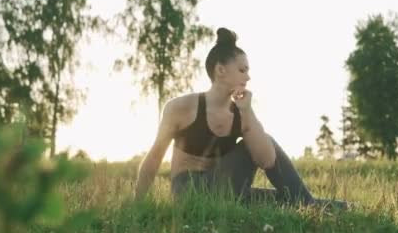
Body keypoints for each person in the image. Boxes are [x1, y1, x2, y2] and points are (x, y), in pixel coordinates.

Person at [133, 27, 347, 209]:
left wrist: (247, 111)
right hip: (189, 194)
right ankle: (309, 205)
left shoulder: (240, 112)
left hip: (227, 190)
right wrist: (138, 204)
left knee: (283, 199)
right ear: (220, 70)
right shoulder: (181, 107)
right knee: (267, 152)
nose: (248, 76)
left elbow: (266, 160)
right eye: (242, 70)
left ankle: (338, 208)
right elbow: (154, 158)